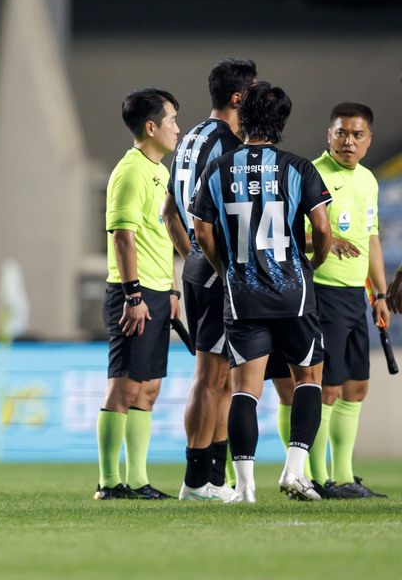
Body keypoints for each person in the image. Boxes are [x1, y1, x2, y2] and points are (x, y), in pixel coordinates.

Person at [190, 82, 332, 504]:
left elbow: (201, 231)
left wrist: (225, 269)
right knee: (308, 379)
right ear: (282, 121)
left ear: (243, 116)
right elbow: (322, 228)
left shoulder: (218, 169)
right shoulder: (298, 168)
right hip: (293, 292)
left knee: (244, 390)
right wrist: (312, 264)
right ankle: (294, 471)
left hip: (242, 294)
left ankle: (245, 487)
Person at [163, 59, 256, 501]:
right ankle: (196, 480)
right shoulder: (228, 146)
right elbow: (214, 220)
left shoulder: (190, 138)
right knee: (211, 377)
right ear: (238, 98)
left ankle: (214, 480)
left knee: (220, 379)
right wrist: (218, 266)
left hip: (198, 266)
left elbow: (169, 213)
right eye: (252, 91)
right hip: (218, 268)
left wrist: (194, 259)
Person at [95, 88, 181, 501]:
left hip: (158, 292)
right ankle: (109, 483)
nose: (177, 129)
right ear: (151, 127)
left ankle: (139, 481)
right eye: (172, 121)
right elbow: (122, 237)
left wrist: (172, 289)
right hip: (134, 293)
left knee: (148, 389)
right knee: (125, 388)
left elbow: (161, 239)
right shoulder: (130, 171)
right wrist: (133, 297)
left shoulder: (160, 172)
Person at [301, 103, 390, 498]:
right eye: (341, 133)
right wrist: (326, 240)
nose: (348, 141)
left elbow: (371, 240)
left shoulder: (369, 180)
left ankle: (344, 476)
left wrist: (380, 293)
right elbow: (289, 233)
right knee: (328, 389)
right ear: (329, 135)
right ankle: (320, 479)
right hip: (324, 292)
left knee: (356, 387)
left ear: (369, 140)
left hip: (357, 296)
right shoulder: (312, 174)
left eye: (357, 135)